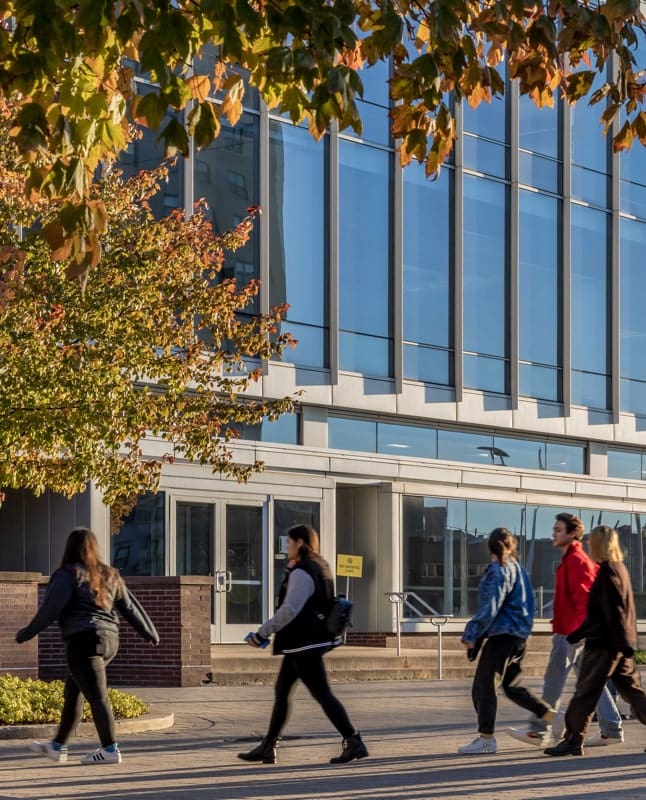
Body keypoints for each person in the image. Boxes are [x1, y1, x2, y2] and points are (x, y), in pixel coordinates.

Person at [15, 527, 159, 765]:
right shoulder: (109, 574)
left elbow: (51, 610)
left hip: (83, 642)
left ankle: (110, 749)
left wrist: (26, 633)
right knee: (73, 692)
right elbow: (130, 607)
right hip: (109, 641)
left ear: (69, 548)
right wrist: (150, 632)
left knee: (97, 696)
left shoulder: (67, 574)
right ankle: (58, 747)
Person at [237, 524, 368, 765]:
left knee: (322, 695)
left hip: (303, 643)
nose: (286, 547)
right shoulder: (321, 566)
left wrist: (261, 633)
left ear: (299, 543)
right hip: (306, 642)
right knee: (282, 691)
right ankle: (268, 746)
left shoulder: (303, 571)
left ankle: (353, 740)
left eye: (288, 542)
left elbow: (289, 609)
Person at [508, 512, 624, 748]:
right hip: (574, 632)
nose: (554, 533)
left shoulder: (576, 561)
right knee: (591, 682)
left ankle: (540, 730)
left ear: (572, 534)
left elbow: (585, 600)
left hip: (571, 634)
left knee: (553, 681)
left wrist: (579, 633)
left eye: (558, 529)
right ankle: (611, 729)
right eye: (554, 529)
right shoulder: (571, 559)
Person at [545, 525, 646, 756]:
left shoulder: (607, 572)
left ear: (600, 544)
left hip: (605, 645)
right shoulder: (619, 569)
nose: (588, 545)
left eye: (592, 542)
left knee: (585, 693)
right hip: (617, 644)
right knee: (633, 693)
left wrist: (580, 634)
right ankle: (573, 740)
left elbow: (610, 613)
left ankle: (572, 740)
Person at [458, 527, 560, 755]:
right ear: (512, 545)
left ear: (489, 547)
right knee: (512, 686)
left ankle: (486, 738)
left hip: (502, 635)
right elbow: (530, 605)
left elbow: (491, 606)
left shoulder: (499, 570)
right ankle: (550, 715)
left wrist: (472, 634)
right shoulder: (519, 570)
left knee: (483, 687)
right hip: (518, 636)